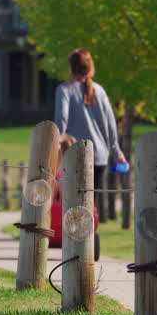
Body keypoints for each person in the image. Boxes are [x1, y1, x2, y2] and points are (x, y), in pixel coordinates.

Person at [53, 48, 124, 222]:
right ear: (90, 66)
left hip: (76, 155)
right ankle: (93, 236)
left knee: (76, 205)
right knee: (91, 204)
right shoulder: (99, 90)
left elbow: (61, 121)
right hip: (99, 157)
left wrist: (55, 143)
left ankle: (83, 238)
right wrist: (117, 153)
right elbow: (110, 125)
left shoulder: (65, 90)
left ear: (71, 67)